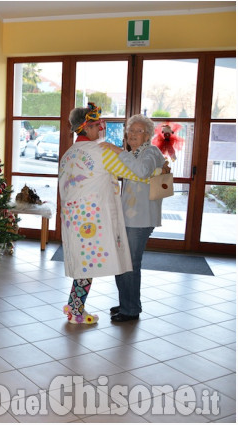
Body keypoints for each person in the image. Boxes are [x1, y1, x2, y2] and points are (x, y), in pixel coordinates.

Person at [59, 103, 161, 324]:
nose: (100, 129)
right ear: (86, 128)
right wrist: (160, 172)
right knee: (88, 266)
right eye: (97, 125)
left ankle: (76, 305)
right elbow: (136, 174)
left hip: (73, 218)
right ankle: (76, 310)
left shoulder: (68, 153)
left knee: (83, 264)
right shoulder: (101, 151)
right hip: (93, 219)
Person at [101, 114, 169, 322]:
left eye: (138, 131)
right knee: (123, 261)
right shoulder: (136, 153)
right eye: (130, 131)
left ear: (147, 135)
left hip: (140, 220)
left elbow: (141, 171)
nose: (132, 134)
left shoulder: (150, 152)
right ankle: (126, 303)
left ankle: (131, 309)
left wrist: (119, 152)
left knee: (130, 263)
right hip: (130, 218)